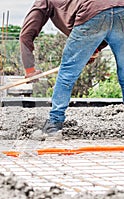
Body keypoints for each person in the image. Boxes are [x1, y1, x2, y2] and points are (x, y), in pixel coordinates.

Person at [20, 0, 124, 140]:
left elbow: (26, 34)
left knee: (67, 73)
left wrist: (30, 70)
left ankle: (53, 126)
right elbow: (109, 16)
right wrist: (94, 48)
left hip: (92, 13)